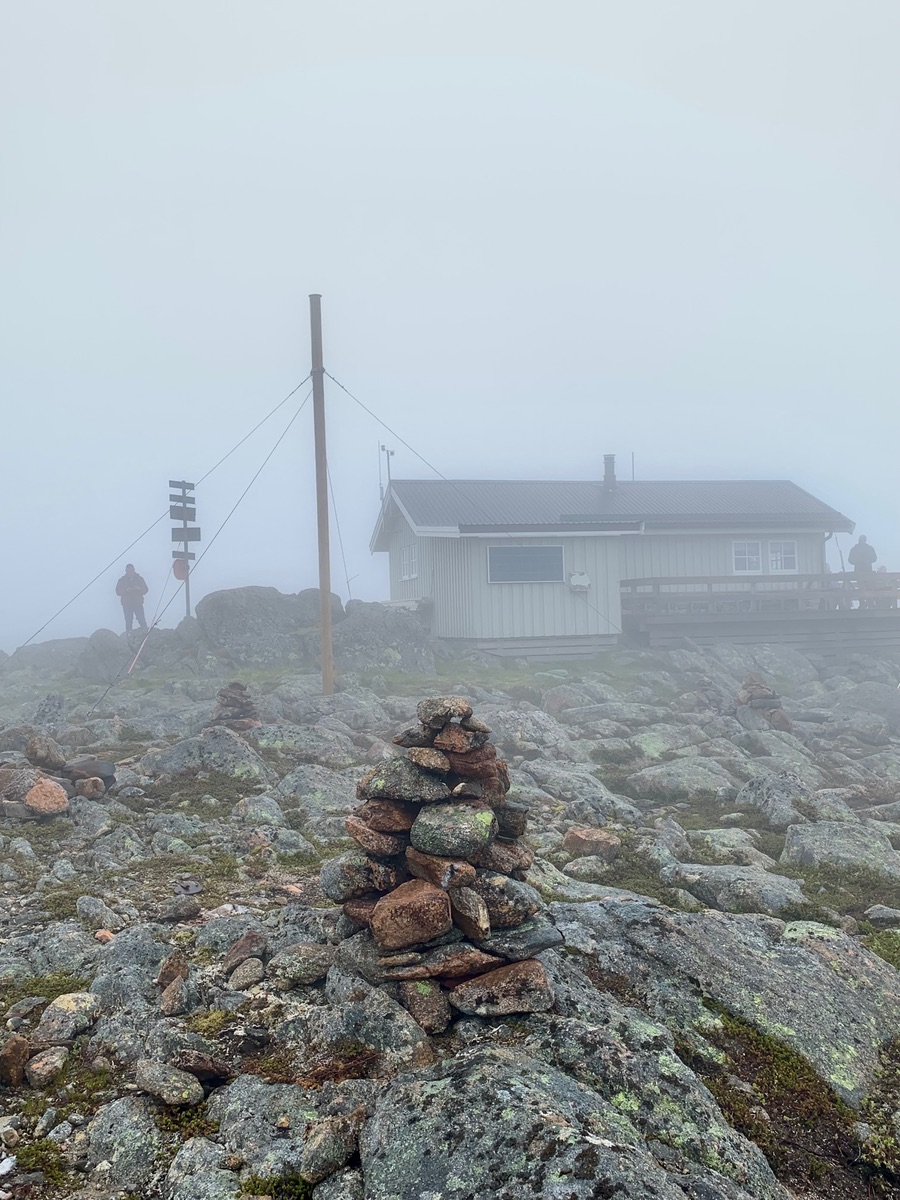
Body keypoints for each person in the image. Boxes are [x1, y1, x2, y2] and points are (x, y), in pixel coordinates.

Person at [116, 564, 149, 633]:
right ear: (126, 571)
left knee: (142, 620)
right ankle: (129, 637)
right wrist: (126, 590)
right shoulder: (122, 580)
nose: (130, 572)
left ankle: (146, 635)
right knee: (128, 622)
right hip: (127, 604)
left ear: (134, 570)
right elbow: (118, 591)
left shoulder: (139, 579)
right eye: (129, 571)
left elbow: (145, 590)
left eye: (131, 571)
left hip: (138, 603)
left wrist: (139, 589)